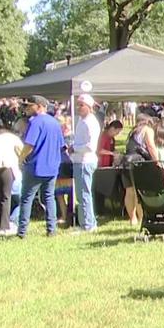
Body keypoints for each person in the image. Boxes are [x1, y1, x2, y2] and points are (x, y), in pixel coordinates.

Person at [18, 96, 65, 238]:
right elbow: (62, 146)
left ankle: (22, 232)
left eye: (29, 106)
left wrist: (20, 159)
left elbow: (29, 145)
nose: (26, 108)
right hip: (52, 167)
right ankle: (52, 229)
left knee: (27, 198)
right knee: (49, 197)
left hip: (35, 166)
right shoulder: (55, 123)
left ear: (39, 106)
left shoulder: (35, 122)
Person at [122, 114, 160, 229]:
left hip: (126, 161)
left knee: (129, 191)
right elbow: (151, 146)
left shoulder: (133, 132)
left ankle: (132, 218)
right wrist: (157, 161)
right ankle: (141, 216)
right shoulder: (147, 130)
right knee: (139, 190)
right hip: (138, 163)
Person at [70, 94, 101, 233]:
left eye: (81, 105)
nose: (79, 107)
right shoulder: (81, 121)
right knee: (81, 193)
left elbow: (90, 146)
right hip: (78, 160)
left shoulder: (90, 122)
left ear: (89, 107)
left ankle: (88, 225)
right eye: (78, 104)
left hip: (85, 160)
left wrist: (74, 148)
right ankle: (86, 222)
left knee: (84, 194)